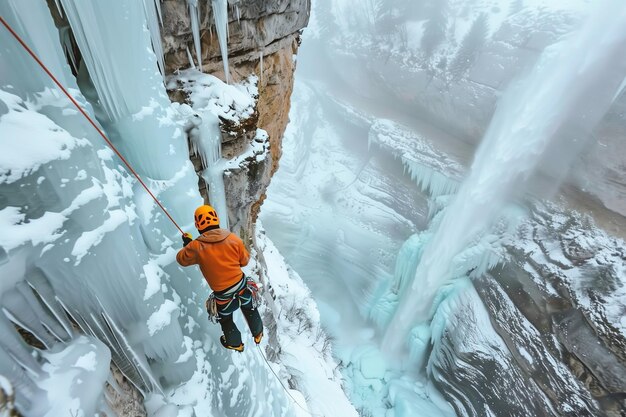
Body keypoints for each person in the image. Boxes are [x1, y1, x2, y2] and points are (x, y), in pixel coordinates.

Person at [176, 205, 263, 352]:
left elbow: (182, 259)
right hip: (242, 288)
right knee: (251, 309)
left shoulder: (196, 247)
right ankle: (258, 334)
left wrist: (188, 245)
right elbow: (245, 261)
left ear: (198, 225)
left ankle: (236, 344)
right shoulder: (233, 239)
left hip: (223, 297)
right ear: (216, 219)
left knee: (226, 320)